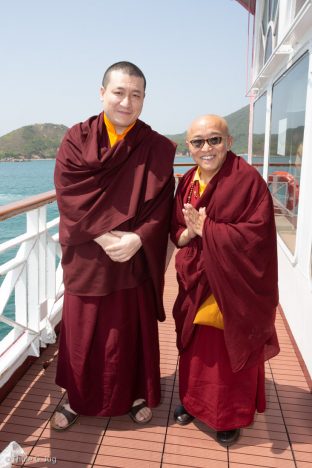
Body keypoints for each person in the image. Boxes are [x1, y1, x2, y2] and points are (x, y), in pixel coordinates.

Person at [51, 61, 176, 430]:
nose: (127, 101)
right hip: (89, 254)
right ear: (102, 92)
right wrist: (103, 236)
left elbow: (162, 202)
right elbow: (68, 194)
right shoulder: (78, 138)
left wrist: (139, 238)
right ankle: (77, 399)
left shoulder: (154, 146)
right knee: (83, 332)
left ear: (144, 99)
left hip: (132, 257)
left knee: (130, 331)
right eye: (119, 92)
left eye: (136, 94)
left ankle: (135, 394)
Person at [170, 114, 279, 446]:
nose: (207, 148)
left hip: (234, 284)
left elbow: (257, 236)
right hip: (197, 277)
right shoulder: (188, 180)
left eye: (214, 140)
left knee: (228, 350)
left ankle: (229, 416)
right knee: (195, 348)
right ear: (188, 147)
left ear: (228, 143)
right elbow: (177, 231)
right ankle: (192, 402)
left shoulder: (247, 180)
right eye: (198, 142)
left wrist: (210, 231)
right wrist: (190, 231)